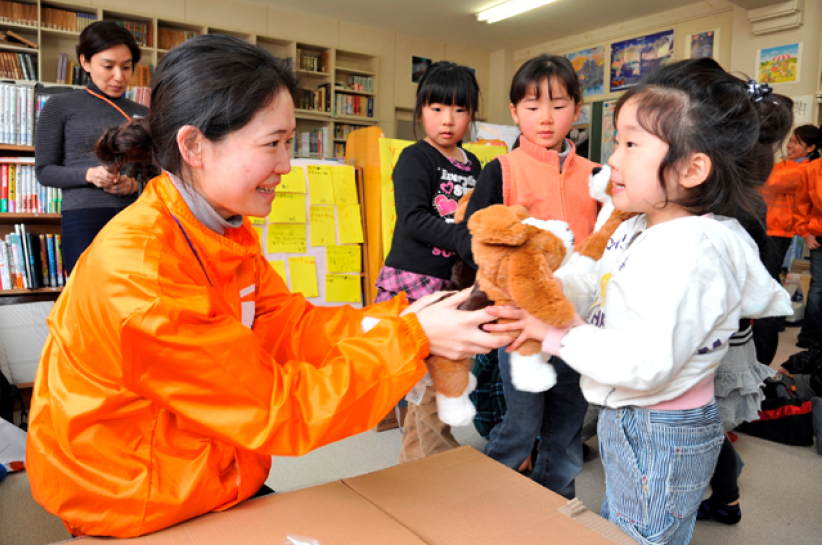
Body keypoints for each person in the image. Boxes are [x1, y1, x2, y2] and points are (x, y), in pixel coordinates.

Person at [25, 35, 508, 539]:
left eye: (290, 142)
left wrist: (406, 318)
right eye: (272, 144)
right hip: (137, 503)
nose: (287, 165)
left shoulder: (221, 226)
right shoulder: (141, 275)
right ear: (193, 146)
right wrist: (414, 339)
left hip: (205, 474)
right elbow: (280, 410)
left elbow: (289, 326)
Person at [485, 59, 793, 544]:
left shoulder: (690, 253)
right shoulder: (640, 225)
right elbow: (596, 279)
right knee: (622, 526)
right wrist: (549, 296)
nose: (613, 160)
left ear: (693, 168)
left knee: (642, 535)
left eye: (631, 145)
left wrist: (555, 334)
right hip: (631, 418)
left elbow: (644, 363)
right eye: (616, 142)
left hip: (662, 430)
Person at [457, 54, 600, 499]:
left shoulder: (596, 176)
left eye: (558, 105)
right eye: (533, 106)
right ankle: (488, 503)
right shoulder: (502, 169)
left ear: (576, 110)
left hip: (577, 320)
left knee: (567, 424)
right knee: (521, 423)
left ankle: (558, 509)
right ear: (515, 112)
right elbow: (473, 238)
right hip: (519, 320)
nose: (546, 117)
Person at [373, 61, 483, 463]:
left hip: (452, 284)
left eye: (459, 110)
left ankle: (425, 460)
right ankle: (429, 462)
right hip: (415, 281)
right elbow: (414, 218)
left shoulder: (474, 165)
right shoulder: (415, 158)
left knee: (442, 378)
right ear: (421, 111)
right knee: (432, 382)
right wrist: (462, 237)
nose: (448, 120)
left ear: (471, 114)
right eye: (437, 109)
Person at [35, 21, 151, 274]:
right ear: (85, 62)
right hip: (84, 216)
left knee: (137, 298)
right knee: (85, 297)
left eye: (126, 67)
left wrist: (135, 185)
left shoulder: (144, 114)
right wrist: (89, 175)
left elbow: (160, 173)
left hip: (138, 215)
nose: (119, 76)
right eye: (108, 66)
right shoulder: (59, 106)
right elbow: (44, 171)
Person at [795, 127, 822, 349]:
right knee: (817, 288)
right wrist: (806, 232)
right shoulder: (812, 170)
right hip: (819, 236)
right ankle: (810, 337)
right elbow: (801, 205)